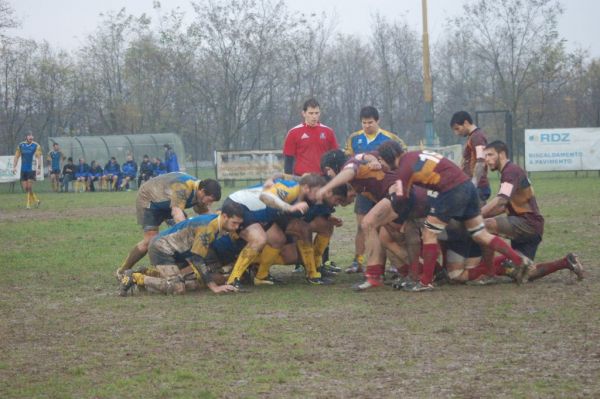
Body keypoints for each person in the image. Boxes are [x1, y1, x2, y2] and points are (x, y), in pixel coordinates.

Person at [373, 140, 534, 292]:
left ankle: (426, 282)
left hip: (451, 190)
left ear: (389, 156)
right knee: (480, 233)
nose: (380, 164)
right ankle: (520, 261)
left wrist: (393, 217)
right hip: (468, 187)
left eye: (381, 159)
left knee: (429, 233)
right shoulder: (416, 155)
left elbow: (401, 198)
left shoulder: (403, 168)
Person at [475, 140, 584, 282]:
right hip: (532, 227)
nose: (487, 160)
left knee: (484, 226)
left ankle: (489, 273)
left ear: (501, 154)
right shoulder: (509, 171)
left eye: (490, 155)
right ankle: (566, 262)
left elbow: (501, 200)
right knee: (526, 273)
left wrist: (476, 215)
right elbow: (502, 206)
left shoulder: (510, 171)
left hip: (527, 224)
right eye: (485, 156)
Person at [223, 174, 331, 288]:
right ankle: (233, 280)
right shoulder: (291, 190)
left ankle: (261, 276)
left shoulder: (301, 185)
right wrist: (289, 207)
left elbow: (282, 175)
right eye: (317, 191)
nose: (320, 195)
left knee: (278, 239)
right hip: (238, 205)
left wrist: (272, 178)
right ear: (306, 188)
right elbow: (265, 196)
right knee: (259, 239)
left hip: (256, 211)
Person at [119, 202, 245, 296]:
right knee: (177, 287)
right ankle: (135, 277)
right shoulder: (208, 228)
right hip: (161, 249)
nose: (236, 227)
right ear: (224, 216)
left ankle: (145, 272)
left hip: (175, 250)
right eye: (234, 223)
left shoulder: (215, 221)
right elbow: (196, 258)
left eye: (239, 224)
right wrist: (213, 286)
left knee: (184, 278)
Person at [115, 173, 222, 279]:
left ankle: (171, 268)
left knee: (176, 238)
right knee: (150, 241)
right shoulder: (184, 187)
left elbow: (205, 214)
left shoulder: (199, 193)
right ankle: (122, 271)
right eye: (210, 200)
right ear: (202, 192)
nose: (210, 204)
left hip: (168, 205)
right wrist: (187, 235)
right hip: (149, 199)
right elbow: (176, 212)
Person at [344, 106, 407, 274]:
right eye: (364, 123)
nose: (367, 126)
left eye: (370, 122)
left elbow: (402, 159)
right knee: (362, 226)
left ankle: (392, 264)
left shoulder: (390, 138)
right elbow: (349, 159)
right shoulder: (354, 139)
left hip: (385, 188)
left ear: (378, 121)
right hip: (364, 190)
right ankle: (358, 261)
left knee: (386, 226)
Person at [283, 98, 338, 176]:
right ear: (304, 113)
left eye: (316, 113)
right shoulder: (293, 132)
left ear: (320, 113)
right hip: (301, 178)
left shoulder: (328, 132)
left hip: (323, 178)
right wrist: (288, 181)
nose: (314, 116)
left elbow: (335, 156)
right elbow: (288, 160)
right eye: (311, 113)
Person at [450, 111, 491, 202]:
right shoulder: (472, 137)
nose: (457, 133)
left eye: (457, 128)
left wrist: (473, 185)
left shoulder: (477, 137)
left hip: (478, 187)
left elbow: (481, 162)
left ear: (466, 123)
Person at [12, 132, 42, 209]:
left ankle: (28, 204)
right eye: (29, 136)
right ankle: (37, 200)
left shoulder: (36, 146)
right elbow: (16, 157)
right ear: (26, 137)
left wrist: (38, 168)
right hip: (23, 169)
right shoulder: (21, 145)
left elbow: (39, 158)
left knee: (29, 187)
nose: (31, 138)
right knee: (26, 188)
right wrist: (14, 167)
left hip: (31, 169)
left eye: (32, 136)